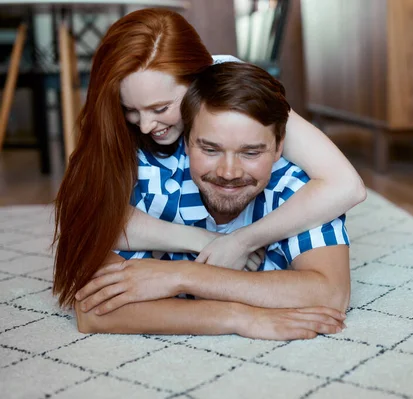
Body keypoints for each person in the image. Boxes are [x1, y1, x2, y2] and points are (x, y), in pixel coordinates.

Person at [52, 7, 365, 323]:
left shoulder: (231, 89)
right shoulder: (135, 152)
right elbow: (90, 218)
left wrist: (242, 241)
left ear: (198, 83)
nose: (145, 125)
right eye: (131, 110)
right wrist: (206, 245)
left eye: (161, 108)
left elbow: (345, 185)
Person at [74, 62, 351, 341]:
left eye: (251, 152)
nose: (228, 173)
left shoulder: (300, 190)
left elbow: (331, 295)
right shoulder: (148, 181)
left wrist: (182, 276)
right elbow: (93, 309)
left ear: (279, 146)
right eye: (209, 149)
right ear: (186, 141)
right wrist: (239, 317)